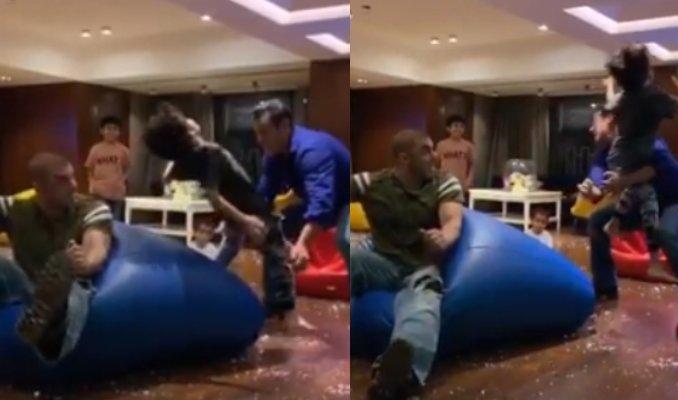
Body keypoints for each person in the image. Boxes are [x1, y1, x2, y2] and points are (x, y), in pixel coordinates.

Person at [143, 103, 294, 318]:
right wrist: (245, 220)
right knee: (273, 249)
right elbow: (213, 196)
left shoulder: (184, 160)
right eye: (185, 123)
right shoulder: (209, 152)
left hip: (234, 210)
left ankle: (206, 282)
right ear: (184, 133)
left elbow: (170, 179)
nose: (191, 122)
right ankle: (278, 307)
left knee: (231, 246)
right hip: (250, 208)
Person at [350, 130, 464, 399]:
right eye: (425, 151)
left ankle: (401, 375)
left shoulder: (444, 182)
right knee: (351, 259)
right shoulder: (371, 183)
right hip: (379, 261)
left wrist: (443, 238)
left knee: (423, 301)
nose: (434, 156)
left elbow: (453, 221)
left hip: (420, 267)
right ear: (404, 158)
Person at [583, 105, 678, 334]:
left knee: (666, 231)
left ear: (610, 120)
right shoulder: (604, 152)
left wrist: (623, 180)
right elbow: (597, 179)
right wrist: (593, 191)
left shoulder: (644, 140)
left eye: (594, 121)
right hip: (642, 205)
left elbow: (653, 169)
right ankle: (606, 288)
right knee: (597, 221)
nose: (590, 128)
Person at [0, 153, 113, 361]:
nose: (73, 185)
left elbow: (96, 246)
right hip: (26, 285)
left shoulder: (91, 208)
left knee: (74, 286)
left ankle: (54, 324)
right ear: (38, 187)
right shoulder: (16, 208)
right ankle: (40, 317)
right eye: (62, 180)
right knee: (3, 266)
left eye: (72, 177)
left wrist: (85, 261)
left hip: (71, 285)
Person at [601, 45, 678, 278]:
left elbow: (610, 104)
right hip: (638, 159)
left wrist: (609, 86)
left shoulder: (622, 98)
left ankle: (614, 223)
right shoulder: (653, 95)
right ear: (646, 70)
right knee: (649, 199)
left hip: (619, 155)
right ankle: (653, 260)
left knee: (638, 190)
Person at [253, 99, 351, 268]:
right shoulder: (273, 155)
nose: (259, 140)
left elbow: (321, 204)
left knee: (345, 239)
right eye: (257, 133)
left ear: (284, 126)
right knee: (275, 228)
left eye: (264, 132)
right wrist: (247, 220)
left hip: (348, 200)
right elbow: (263, 196)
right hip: (317, 201)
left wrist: (303, 243)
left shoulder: (312, 151)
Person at [85, 116, 130, 221]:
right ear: (102, 131)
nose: (111, 132)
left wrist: (121, 180)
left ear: (119, 132)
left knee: (116, 222)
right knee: (100, 221)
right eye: (108, 128)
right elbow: (89, 168)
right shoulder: (95, 149)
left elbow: (127, 168)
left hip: (117, 192)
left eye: (115, 129)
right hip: (99, 192)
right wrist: (92, 183)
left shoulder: (124, 150)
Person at [435, 115, 475, 195]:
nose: (458, 129)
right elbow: (436, 165)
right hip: (444, 183)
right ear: (448, 128)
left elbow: (472, 165)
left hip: (461, 184)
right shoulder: (441, 145)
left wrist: (469, 181)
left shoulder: (468, 146)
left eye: (461, 126)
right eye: (455, 126)